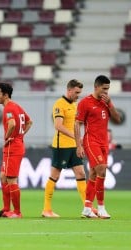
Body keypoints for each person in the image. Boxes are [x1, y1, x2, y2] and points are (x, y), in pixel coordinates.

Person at [75, 75, 122, 219]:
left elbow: (118, 119)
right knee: (102, 168)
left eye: (108, 89)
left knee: (94, 173)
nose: (106, 92)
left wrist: (110, 104)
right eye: (104, 89)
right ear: (96, 87)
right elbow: (77, 124)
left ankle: (87, 208)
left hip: (104, 142)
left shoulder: (106, 102)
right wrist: (79, 145)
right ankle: (101, 207)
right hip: (91, 140)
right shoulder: (85, 103)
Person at [42, 79, 86, 218]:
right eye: (76, 92)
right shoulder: (59, 104)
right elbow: (58, 126)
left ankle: (87, 207)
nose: (78, 95)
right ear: (69, 90)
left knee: (81, 174)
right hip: (62, 146)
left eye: (80, 92)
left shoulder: (75, 105)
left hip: (74, 145)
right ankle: (46, 209)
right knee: (55, 176)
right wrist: (75, 136)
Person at [0, 82, 32, 218]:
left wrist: (8, 137)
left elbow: (12, 124)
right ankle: (6, 208)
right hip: (16, 145)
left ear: (5, 95)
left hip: (12, 148)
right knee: (3, 176)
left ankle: (17, 212)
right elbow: (29, 122)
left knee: (11, 179)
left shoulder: (8, 108)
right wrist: (20, 136)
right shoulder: (17, 106)